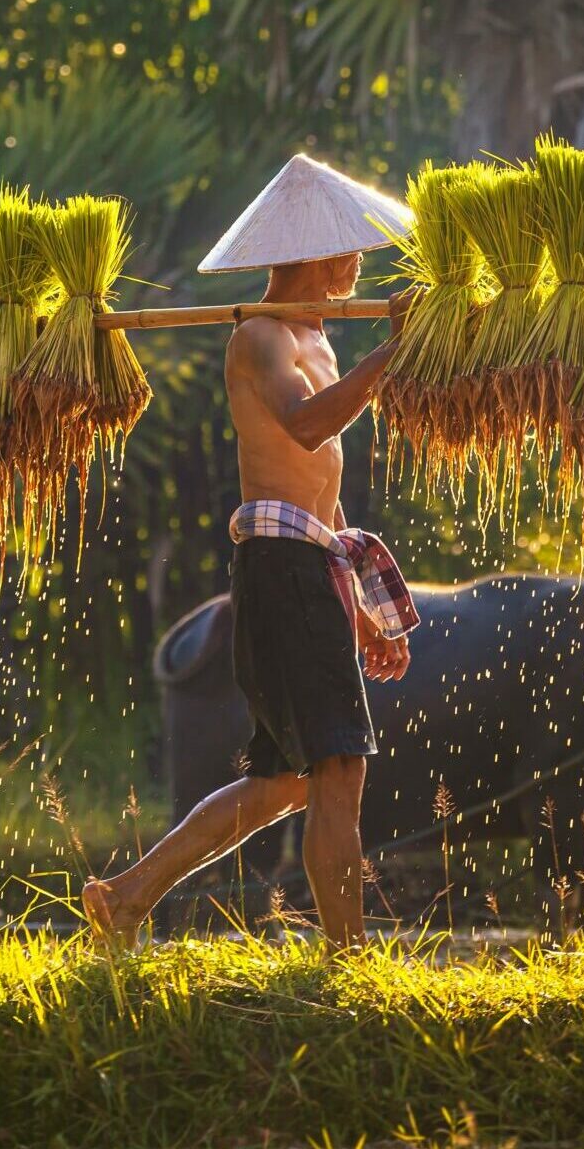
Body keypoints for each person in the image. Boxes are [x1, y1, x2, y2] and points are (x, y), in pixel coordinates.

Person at [82, 154, 422, 949]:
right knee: (340, 770)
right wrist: (389, 356)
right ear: (316, 251)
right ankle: (349, 962)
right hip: (276, 570)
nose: (358, 267)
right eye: (351, 250)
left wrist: (359, 606)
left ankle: (127, 895)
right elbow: (306, 427)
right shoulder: (260, 339)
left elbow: (323, 485)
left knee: (282, 784)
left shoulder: (319, 342)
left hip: (311, 569)